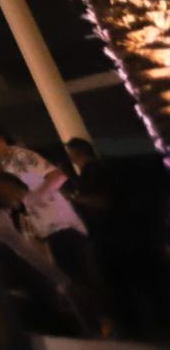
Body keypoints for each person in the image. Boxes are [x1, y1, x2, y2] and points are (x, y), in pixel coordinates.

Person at [0, 127, 97, 317]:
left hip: (59, 224)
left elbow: (57, 176)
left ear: (1, 138)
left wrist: (33, 198)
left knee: (78, 277)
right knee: (70, 278)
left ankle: (100, 318)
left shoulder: (21, 157)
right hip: (47, 229)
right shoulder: (7, 164)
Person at [64, 136, 170, 341]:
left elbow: (101, 201)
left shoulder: (92, 172)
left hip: (113, 240)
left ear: (76, 154)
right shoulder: (110, 168)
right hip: (135, 237)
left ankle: (140, 333)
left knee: (123, 290)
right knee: (149, 284)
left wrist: (73, 197)